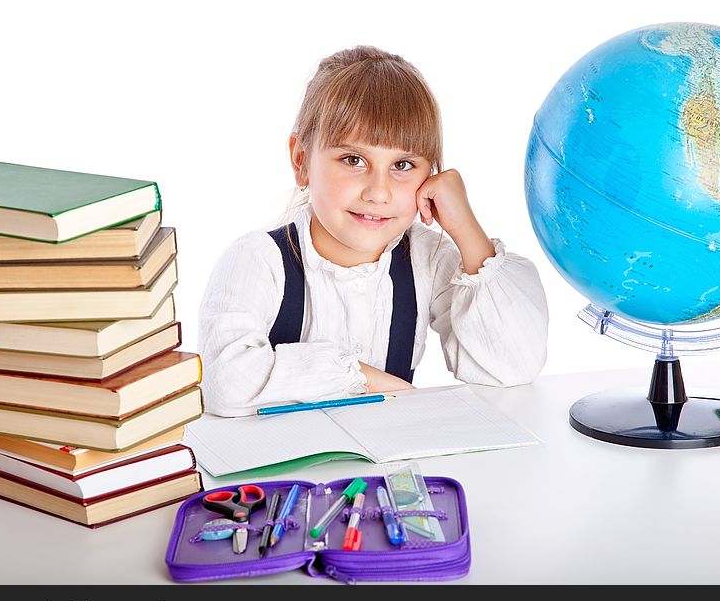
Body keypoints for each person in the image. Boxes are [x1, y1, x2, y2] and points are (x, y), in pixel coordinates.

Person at [199, 45, 548, 417]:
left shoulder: (427, 259)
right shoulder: (259, 260)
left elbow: (513, 366)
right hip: (282, 472)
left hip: (386, 468)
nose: (378, 192)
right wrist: (360, 379)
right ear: (301, 161)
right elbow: (224, 383)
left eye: (402, 164)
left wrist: (465, 228)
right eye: (353, 160)